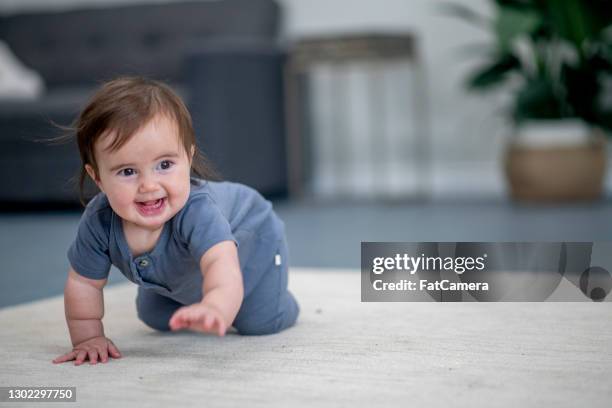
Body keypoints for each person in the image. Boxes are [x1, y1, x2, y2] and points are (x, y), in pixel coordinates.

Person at [52, 77, 299, 366]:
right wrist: (88, 338)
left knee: (258, 322)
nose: (149, 185)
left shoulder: (197, 211)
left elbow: (220, 263)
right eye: (128, 171)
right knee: (154, 316)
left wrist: (216, 306)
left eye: (165, 165)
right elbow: (83, 283)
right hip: (186, 272)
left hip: (253, 239)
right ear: (98, 178)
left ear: (188, 157)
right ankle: (197, 296)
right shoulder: (99, 222)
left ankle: (280, 298)